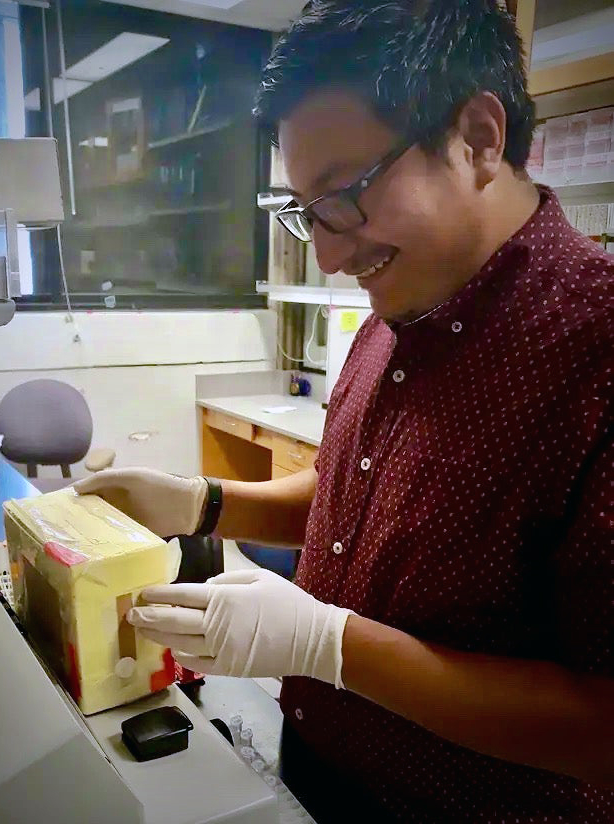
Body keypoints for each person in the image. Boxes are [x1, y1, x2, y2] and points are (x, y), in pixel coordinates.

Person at [75, 1, 614, 820]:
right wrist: (204, 504)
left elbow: (600, 725)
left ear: (476, 138)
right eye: (306, 209)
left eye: (345, 195)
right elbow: (346, 499)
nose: (326, 253)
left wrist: (327, 644)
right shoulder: (394, 315)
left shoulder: (595, 353)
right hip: (317, 764)